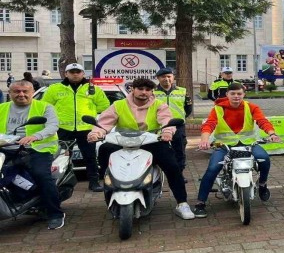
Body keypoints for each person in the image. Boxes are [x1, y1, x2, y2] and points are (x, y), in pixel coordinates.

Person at [86, 78, 195, 219]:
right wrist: (96, 133)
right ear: (133, 89)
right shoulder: (119, 105)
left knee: (173, 167)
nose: (144, 92)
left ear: (152, 91)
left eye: (148, 90)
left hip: (151, 142)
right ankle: (109, 183)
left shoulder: (159, 105)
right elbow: (104, 122)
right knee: (104, 149)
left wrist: (167, 133)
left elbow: (166, 121)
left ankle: (182, 203)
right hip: (122, 142)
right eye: (141, 89)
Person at [194, 82, 282, 217]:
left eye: (239, 94)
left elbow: (262, 121)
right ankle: (201, 202)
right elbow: (209, 125)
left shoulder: (252, 107)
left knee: (264, 159)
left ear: (244, 94)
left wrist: (272, 133)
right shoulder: (218, 108)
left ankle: (263, 184)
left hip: (249, 144)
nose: (236, 96)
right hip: (224, 145)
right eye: (233, 94)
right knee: (212, 169)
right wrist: (204, 140)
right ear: (227, 95)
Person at [0, 81, 65, 229]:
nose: (21, 94)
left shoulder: (44, 107)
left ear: (32, 92)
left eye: (25, 91)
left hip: (37, 148)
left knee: (41, 175)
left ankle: (55, 214)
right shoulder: (2, 108)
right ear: (10, 93)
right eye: (17, 91)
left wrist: (36, 136)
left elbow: (53, 125)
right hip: (6, 148)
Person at [41, 63, 110, 192]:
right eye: (72, 72)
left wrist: (90, 112)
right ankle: (60, 182)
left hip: (86, 128)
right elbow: (46, 107)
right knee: (62, 157)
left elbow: (104, 106)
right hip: (63, 129)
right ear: (66, 74)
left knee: (90, 157)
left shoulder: (93, 89)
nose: (75, 74)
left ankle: (94, 182)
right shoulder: (54, 89)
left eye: (78, 72)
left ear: (83, 73)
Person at [153, 68, 193, 179]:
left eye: (169, 76)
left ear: (173, 77)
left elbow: (188, 108)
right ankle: (156, 175)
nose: (166, 79)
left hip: (177, 125)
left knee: (179, 150)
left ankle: (179, 174)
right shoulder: (152, 92)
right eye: (163, 77)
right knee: (157, 150)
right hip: (158, 126)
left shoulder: (182, 91)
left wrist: (180, 118)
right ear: (158, 78)